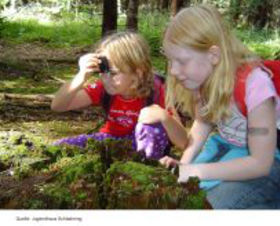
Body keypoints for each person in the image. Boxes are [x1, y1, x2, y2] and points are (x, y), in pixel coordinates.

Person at [138, 5, 280, 208]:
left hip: (269, 159)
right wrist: (183, 166)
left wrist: (193, 172)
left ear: (213, 55)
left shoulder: (255, 85)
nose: (174, 71)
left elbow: (260, 163)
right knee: (180, 196)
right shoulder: (202, 79)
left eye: (182, 61)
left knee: (206, 205)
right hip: (225, 146)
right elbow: (202, 124)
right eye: (171, 61)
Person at [51, 31, 170, 160]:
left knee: (152, 128)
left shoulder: (158, 92)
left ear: (138, 73)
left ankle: (145, 166)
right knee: (58, 147)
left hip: (143, 142)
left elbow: (176, 132)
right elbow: (58, 106)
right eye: (102, 72)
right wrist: (82, 75)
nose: (106, 79)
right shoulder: (103, 89)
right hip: (111, 139)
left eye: (113, 73)